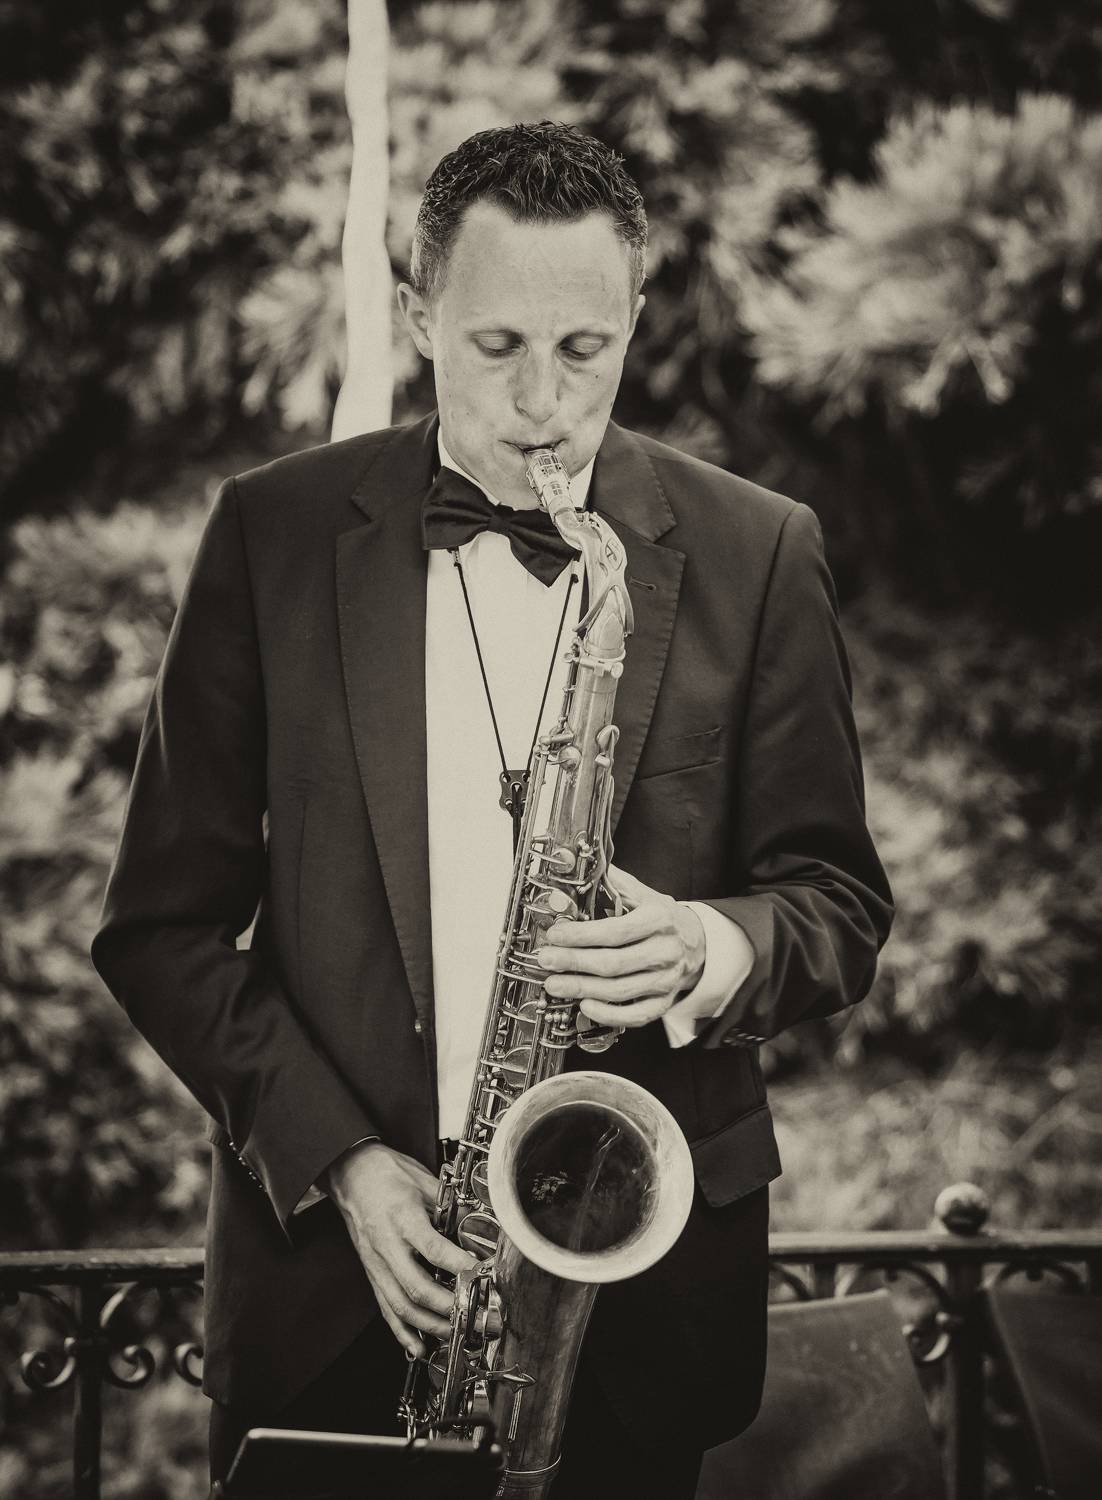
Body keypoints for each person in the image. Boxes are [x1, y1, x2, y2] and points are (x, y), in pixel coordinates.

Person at [92, 121, 892, 1499]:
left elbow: (837, 903)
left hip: (637, 1307)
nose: (541, 403)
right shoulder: (269, 535)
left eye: (583, 349)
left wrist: (707, 947)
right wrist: (342, 1163)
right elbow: (158, 930)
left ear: (635, 320)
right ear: (419, 317)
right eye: (496, 345)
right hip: (331, 1288)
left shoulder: (760, 550)